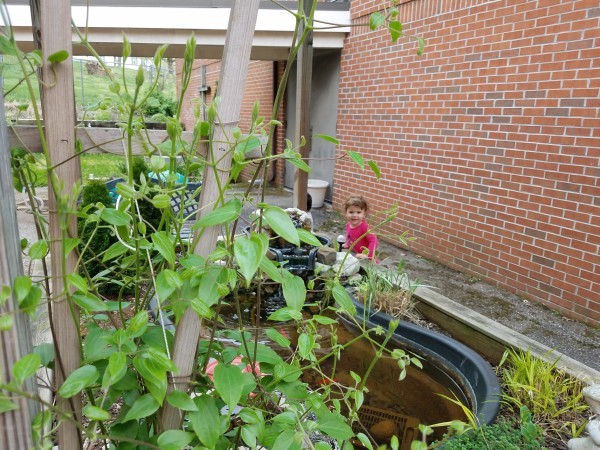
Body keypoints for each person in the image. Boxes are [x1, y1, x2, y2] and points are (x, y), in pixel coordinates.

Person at [343, 195, 378, 261]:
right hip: (358, 257)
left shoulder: (365, 227)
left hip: (369, 262)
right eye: (351, 212)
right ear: (346, 213)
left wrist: (367, 255)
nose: (354, 215)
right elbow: (349, 236)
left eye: (358, 212)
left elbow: (374, 241)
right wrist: (347, 244)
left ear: (364, 214)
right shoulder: (348, 225)